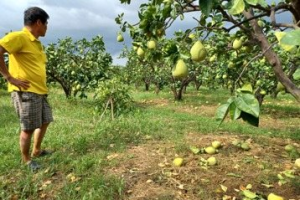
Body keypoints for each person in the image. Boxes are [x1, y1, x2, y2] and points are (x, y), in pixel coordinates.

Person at [0, 7, 53, 171]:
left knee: (45, 120)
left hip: (39, 91)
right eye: (46, 24)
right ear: (38, 22)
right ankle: (26, 160)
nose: (47, 28)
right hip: (26, 93)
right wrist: (9, 77)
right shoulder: (19, 37)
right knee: (28, 128)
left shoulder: (35, 43)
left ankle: (36, 150)